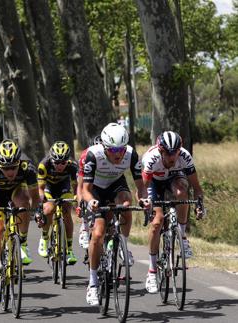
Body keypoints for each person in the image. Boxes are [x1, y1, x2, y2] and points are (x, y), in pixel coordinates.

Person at [82, 123, 145, 306]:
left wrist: (144, 200)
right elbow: (85, 189)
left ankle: (123, 243)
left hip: (116, 184)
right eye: (113, 150)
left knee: (126, 203)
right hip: (96, 189)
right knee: (99, 233)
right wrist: (90, 201)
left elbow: (140, 186)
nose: (118, 154)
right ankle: (93, 283)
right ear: (104, 147)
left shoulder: (131, 154)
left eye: (121, 149)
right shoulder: (94, 154)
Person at [140, 131, 205, 294]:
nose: (172, 157)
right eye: (168, 153)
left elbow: (196, 188)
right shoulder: (151, 159)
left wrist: (199, 205)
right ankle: (152, 271)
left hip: (174, 178)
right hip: (153, 182)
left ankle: (182, 237)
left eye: (175, 152)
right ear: (161, 151)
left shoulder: (185, 157)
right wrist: (145, 203)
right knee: (157, 222)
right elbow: (142, 188)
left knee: (182, 192)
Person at [0, 139, 40, 301]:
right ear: (0, 165)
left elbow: (35, 198)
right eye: (6, 168)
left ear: (19, 162)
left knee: (23, 203)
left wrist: (37, 212)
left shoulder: (27, 167)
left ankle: (23, 242)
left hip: (16, 190)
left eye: (13, 167)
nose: (10, 172)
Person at [36, 141, 79, 265]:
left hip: (64, 187)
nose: (60, 166)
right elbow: (40, 189)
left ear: (67, 160)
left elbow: (76, 187)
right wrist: (41, 201)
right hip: (48, 187)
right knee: (49, 209)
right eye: (57, 163)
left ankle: (69, 249)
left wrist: (76, 198)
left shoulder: (72, 166)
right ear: (51, 159)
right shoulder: (44, 165)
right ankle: (44, 238)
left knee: (66, 211)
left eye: (63, 163)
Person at [76, 135, 102, 249]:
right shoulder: (85, 157)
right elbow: (81, 186)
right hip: (90, 182)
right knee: (86, 202)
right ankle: (84, 227)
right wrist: (80, 204)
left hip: (105, 181)